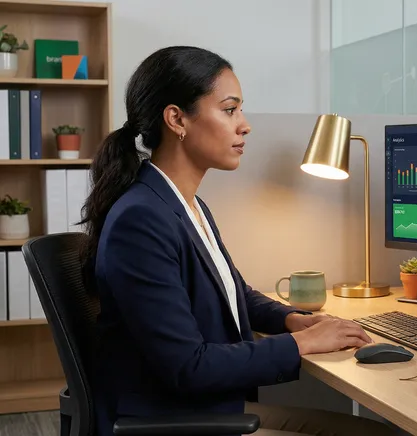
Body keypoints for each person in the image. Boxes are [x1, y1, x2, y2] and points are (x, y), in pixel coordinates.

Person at [79, 46, 394, 436]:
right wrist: (304, 344)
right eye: (229, 110)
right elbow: (187, 366)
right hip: (173, 421)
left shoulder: (185, 205)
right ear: (176, 119)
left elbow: (235, 294)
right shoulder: (142, 220)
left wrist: (292, 319)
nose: (244, 125)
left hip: (206, 408)